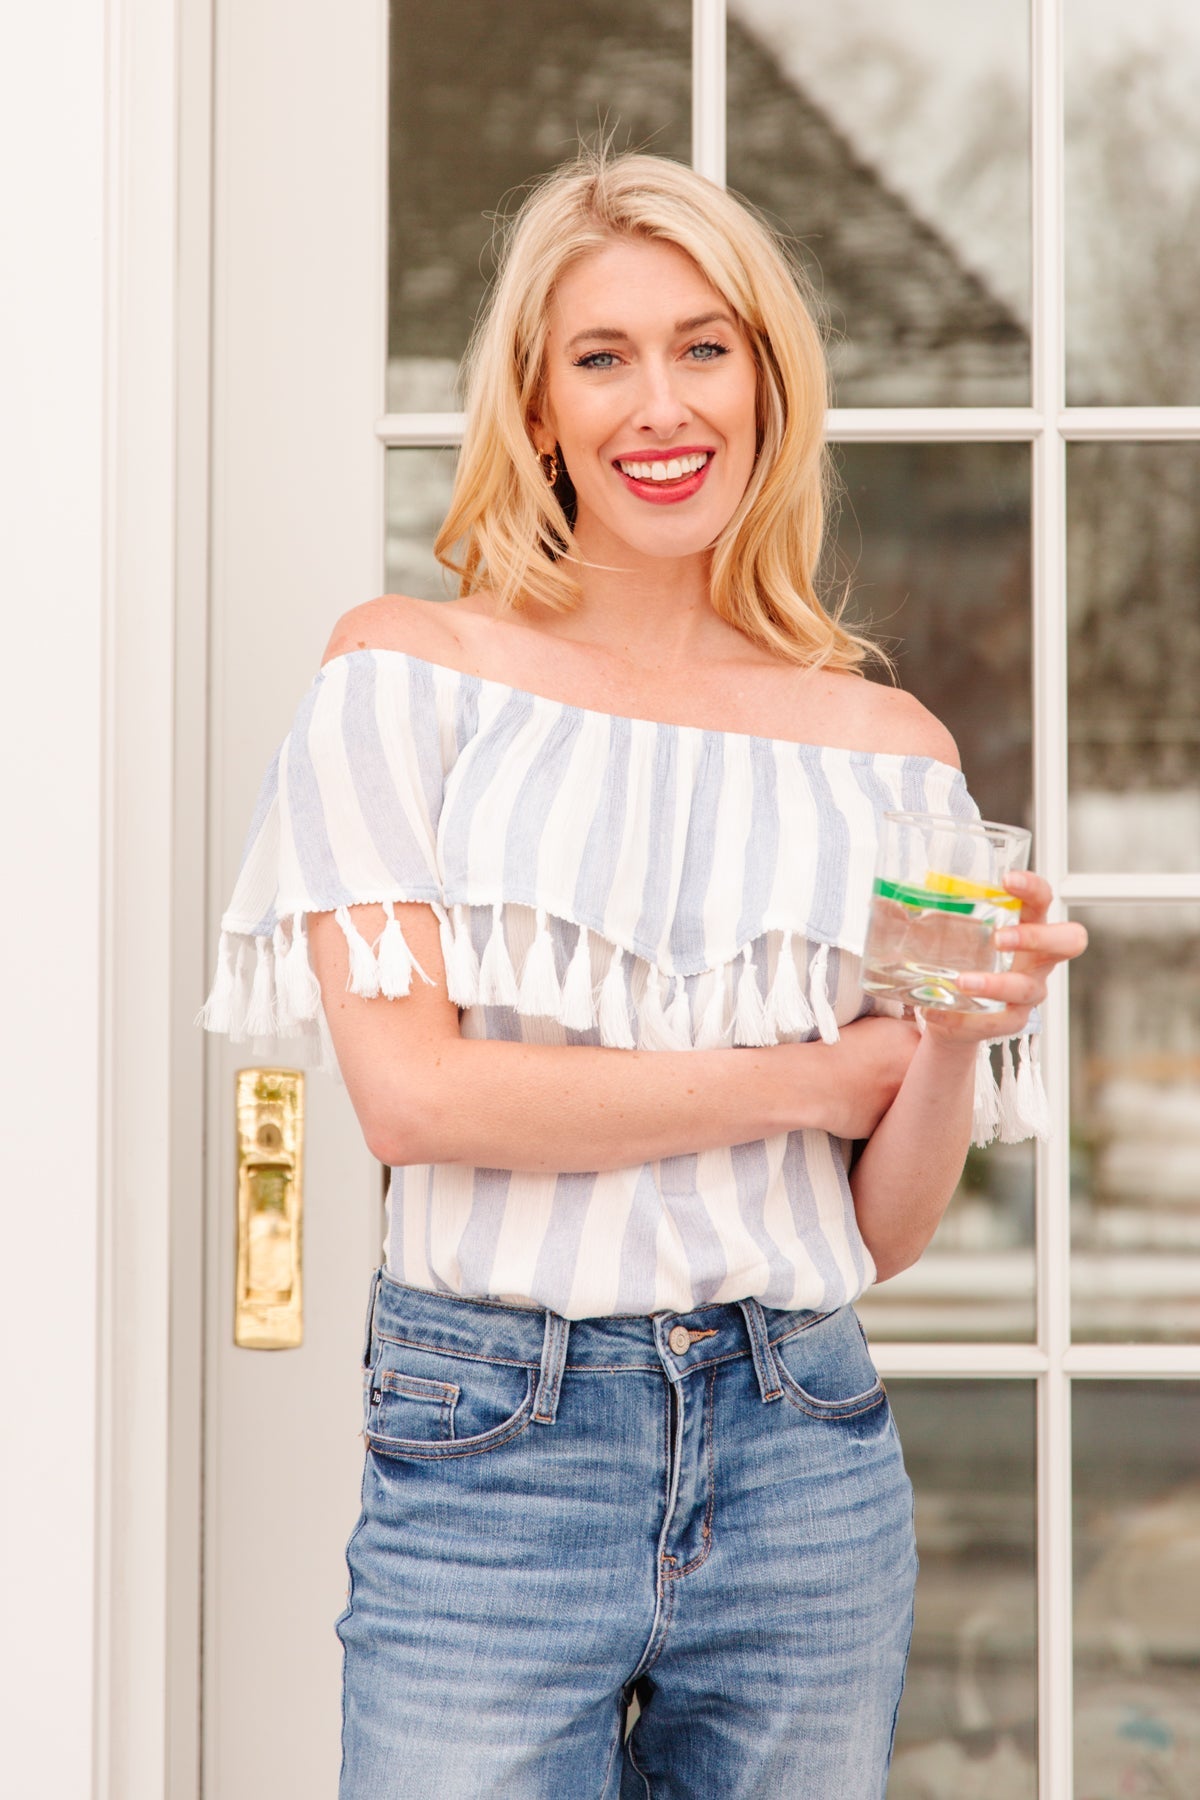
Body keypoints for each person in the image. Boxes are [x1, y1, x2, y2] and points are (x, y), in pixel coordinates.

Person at [199, 148, 1086, 1799]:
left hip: (804, 1445)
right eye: (602, 357)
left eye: (703, 348)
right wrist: (814, 1078)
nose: (660, 405)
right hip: (496, 1446)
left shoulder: (888, 753)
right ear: (538, 409)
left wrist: (959, 1038)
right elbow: (419, 1098)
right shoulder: (406, 679)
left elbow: (880, 1230)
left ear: (765, 386)